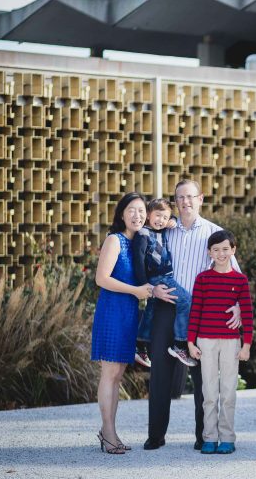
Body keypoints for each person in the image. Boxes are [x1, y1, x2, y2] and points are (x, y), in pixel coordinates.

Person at [145, 179, 242, 451]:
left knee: (203, 378)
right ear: (175, 201)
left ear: (201, 199)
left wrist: (236, 305)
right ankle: (156, 436)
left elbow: (234, 273)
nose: (185, 202)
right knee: (160, 374)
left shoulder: (214, 232)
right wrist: (152, 289)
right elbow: (147, 261)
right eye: (180, 198)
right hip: (167, 307)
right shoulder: (165, 231)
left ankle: (204, 437)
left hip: (201, 312)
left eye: (190, 197)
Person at [90, 192, 154, 454]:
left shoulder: (139, 242)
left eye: (141, 211)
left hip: (128, 314)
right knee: (109, 374)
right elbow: (101, 279)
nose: (137, 215)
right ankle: (108, 434)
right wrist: (135, 290)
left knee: (118, 376)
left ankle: (110, 432)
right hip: (112, 313)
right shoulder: (114, 240)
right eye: (132, 210)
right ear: (121, 215)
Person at [188, 230, 253, 454]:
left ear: (233, 250)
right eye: (216, 250)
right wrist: (190, 341)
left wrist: (247, 345)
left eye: (225, 249)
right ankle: (209, 437)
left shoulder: (240, 280)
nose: (221, 253)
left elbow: (247, 313)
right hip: (205, 340)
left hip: (230, 343)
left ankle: (227, 437)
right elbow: (195, 311)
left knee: (227, 392)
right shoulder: (202, 279)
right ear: (209, 253)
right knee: (208, 392)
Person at [131, 198, 196, 369]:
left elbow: (172, 217)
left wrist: (172, 220)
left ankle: (140, 345)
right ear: (148, 216)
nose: (161, 220)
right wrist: (145, 284)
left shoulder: (162, 230)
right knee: (186, 301)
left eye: (164, 217)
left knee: (150, 312)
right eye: (157, 216)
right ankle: (180, 344)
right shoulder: (143, 234)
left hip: (162, 277)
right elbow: (138, 260)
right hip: (159, 277)